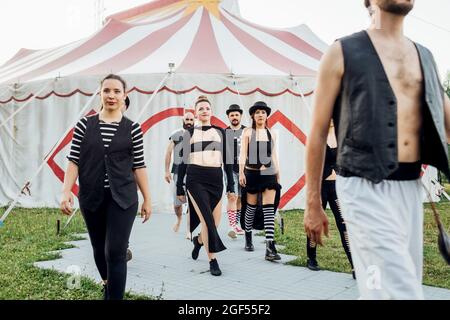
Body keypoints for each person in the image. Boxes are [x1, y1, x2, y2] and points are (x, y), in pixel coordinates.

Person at [304, 0, 450, 300]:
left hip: (410, 187)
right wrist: (312, 203)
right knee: (402, 292)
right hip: (362, 186)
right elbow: (317, 133)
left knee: (380, 288)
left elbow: (446, 119)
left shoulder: (425, 56)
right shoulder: (341, 52)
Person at [60, 74, 152, 300]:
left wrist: (148, 199)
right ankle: (108, 284)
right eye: (107, 90)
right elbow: (74, 160)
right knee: (99, 248)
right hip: (91, 196)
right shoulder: (84, 125)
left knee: (115, 251)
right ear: (100, 93)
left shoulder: (133, 129)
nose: (111, 95)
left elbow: (139, 166)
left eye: (116, 91)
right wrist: (66, 192)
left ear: (124, 96)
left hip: (123, 198)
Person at [176, 95, 235, 276]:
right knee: (207, 221)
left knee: (213, 224)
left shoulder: (221, 132)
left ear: (211, 111)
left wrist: (231, 185)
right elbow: (182, 163)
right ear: (195, 113)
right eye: (200, 108)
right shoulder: (188, 134)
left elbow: (228, 161)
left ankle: (199, 241)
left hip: (216, 180)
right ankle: (213, 260)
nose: (204, 111)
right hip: (196, 179)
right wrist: (179, 187)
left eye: (207, 108)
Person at [305, 121, 354, 278]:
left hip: (338, 188)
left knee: (344, 225)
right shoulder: (317, 136)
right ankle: (311, 258)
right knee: (316, 224)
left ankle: (355, 266)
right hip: (321, 187)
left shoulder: (342, 135)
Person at [239, 101, 282, 261]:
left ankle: (270, 246)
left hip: (269, 173)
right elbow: (243, 154)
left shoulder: (272, 133)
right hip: (251, 173)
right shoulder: (248, 132)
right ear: (252, 115)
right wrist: (241, 173)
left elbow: (274, 155)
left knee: (268, 210)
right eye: (257, 112)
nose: (260, 115)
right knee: (250, 208)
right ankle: (248, 235)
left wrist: (278, 173)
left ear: (267, 115)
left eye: (263, 112)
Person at [164, 112, 195, 238]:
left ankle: (189, 229)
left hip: (193, 171)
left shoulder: (197, 133)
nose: (188, 121)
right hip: (177, 171)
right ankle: (179, 219)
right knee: (177, 203)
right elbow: (168, 152)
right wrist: (166, 171)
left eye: (191, 119)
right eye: (186, 119)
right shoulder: (176, 134)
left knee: (192, 202)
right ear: (183, 120)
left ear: (194, 120)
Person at [224, 104, 246, 239]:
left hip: (244, 170)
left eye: (236, 115)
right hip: (229, 169)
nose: (234, 117)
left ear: (240, 116)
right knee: (232, 196)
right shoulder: (224, 132)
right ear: (228, 117)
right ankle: (231, 226)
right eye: (232, 115)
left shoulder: (247, 131)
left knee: (240, 198)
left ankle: (236, 224)